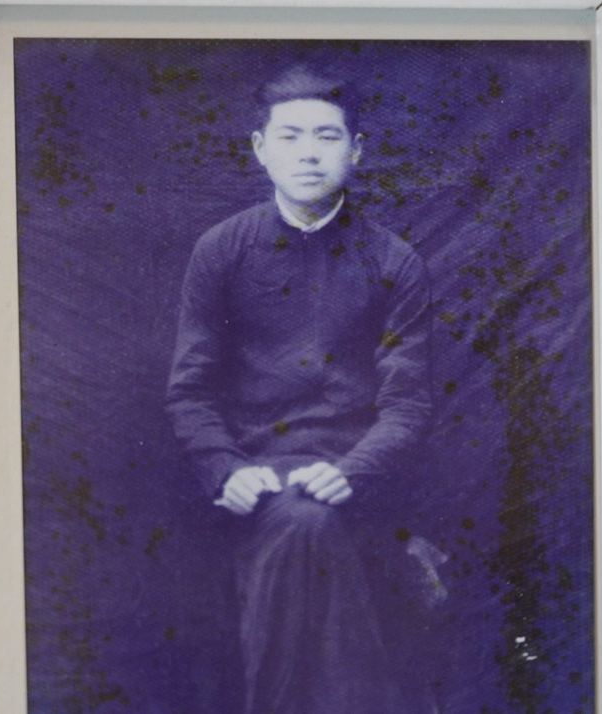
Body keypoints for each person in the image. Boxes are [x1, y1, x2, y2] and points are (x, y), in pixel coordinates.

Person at [165, 65, 433, 714]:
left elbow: (407, 403)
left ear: (356, 150)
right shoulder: (222, 251)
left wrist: (355, 471)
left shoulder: (393, 261)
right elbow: (191, 390)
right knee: (301, 525)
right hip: (253, 478)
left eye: (326, 136)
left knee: (310, 524)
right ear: (260, 149)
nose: (308, 153)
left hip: (355, 480)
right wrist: (225, 469)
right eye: (289, 136)